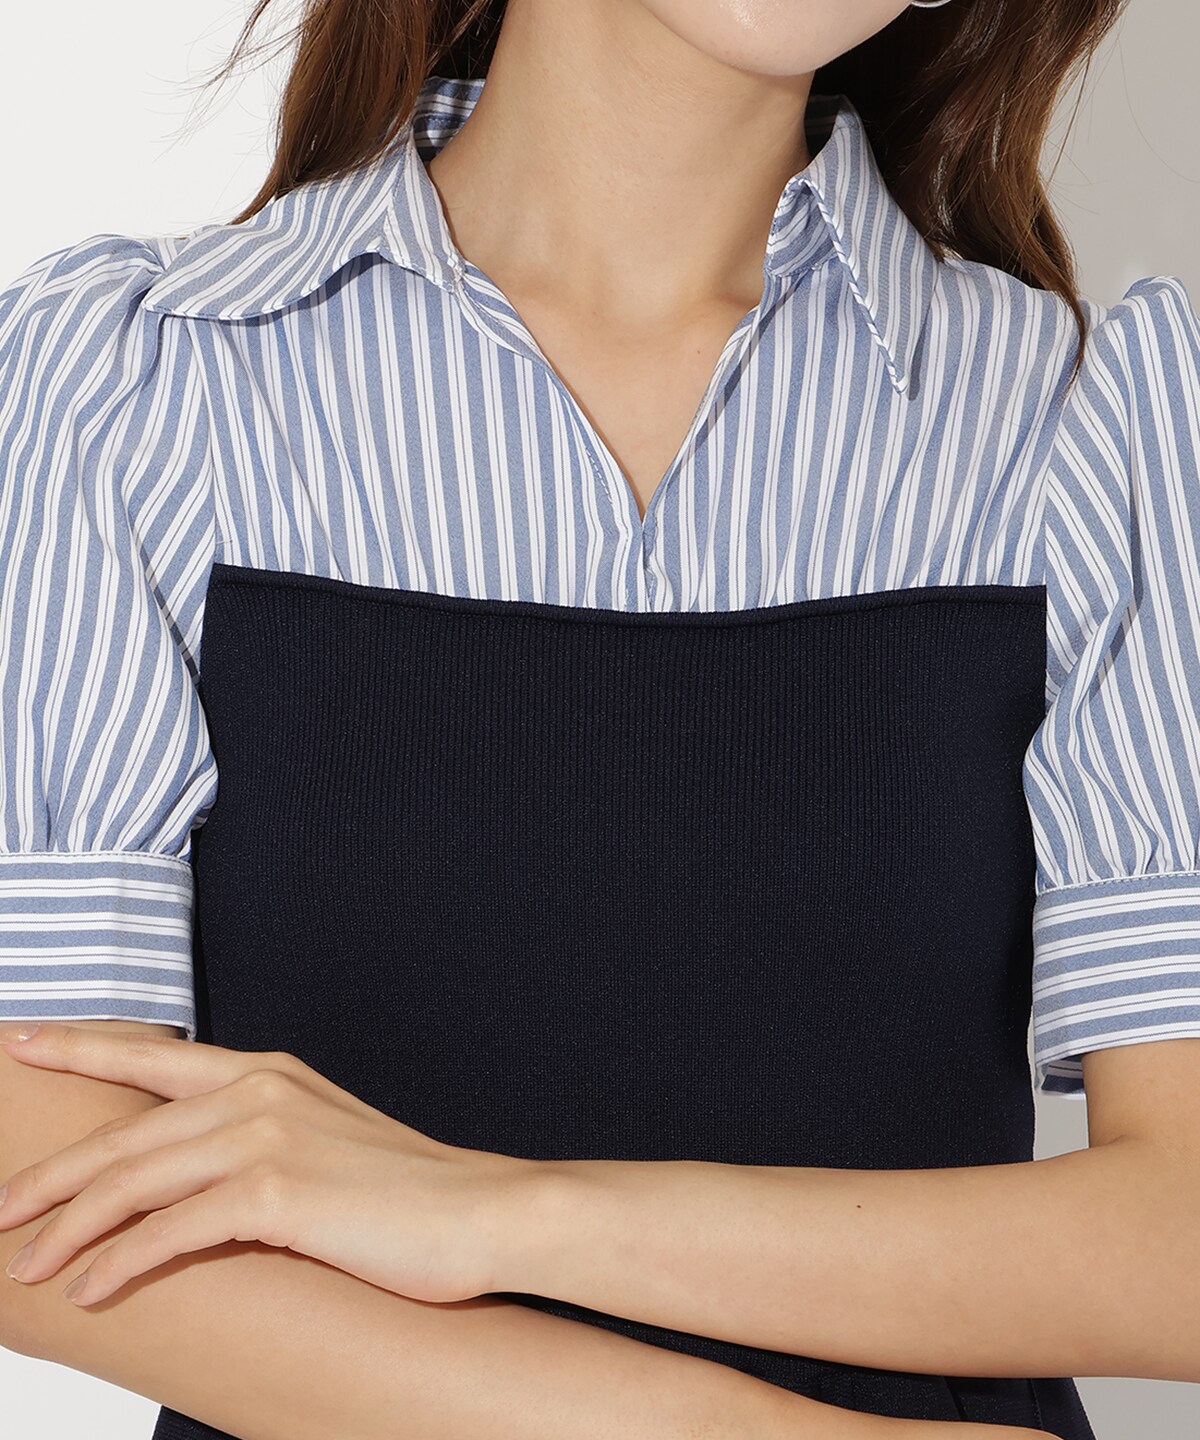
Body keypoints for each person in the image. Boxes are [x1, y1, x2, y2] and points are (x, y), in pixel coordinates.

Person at [1, 1, 1199, 1437]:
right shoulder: (133, 384)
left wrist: (499, 1214)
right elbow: (37, 1203)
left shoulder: (1087, 422)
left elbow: (1180, 1244)